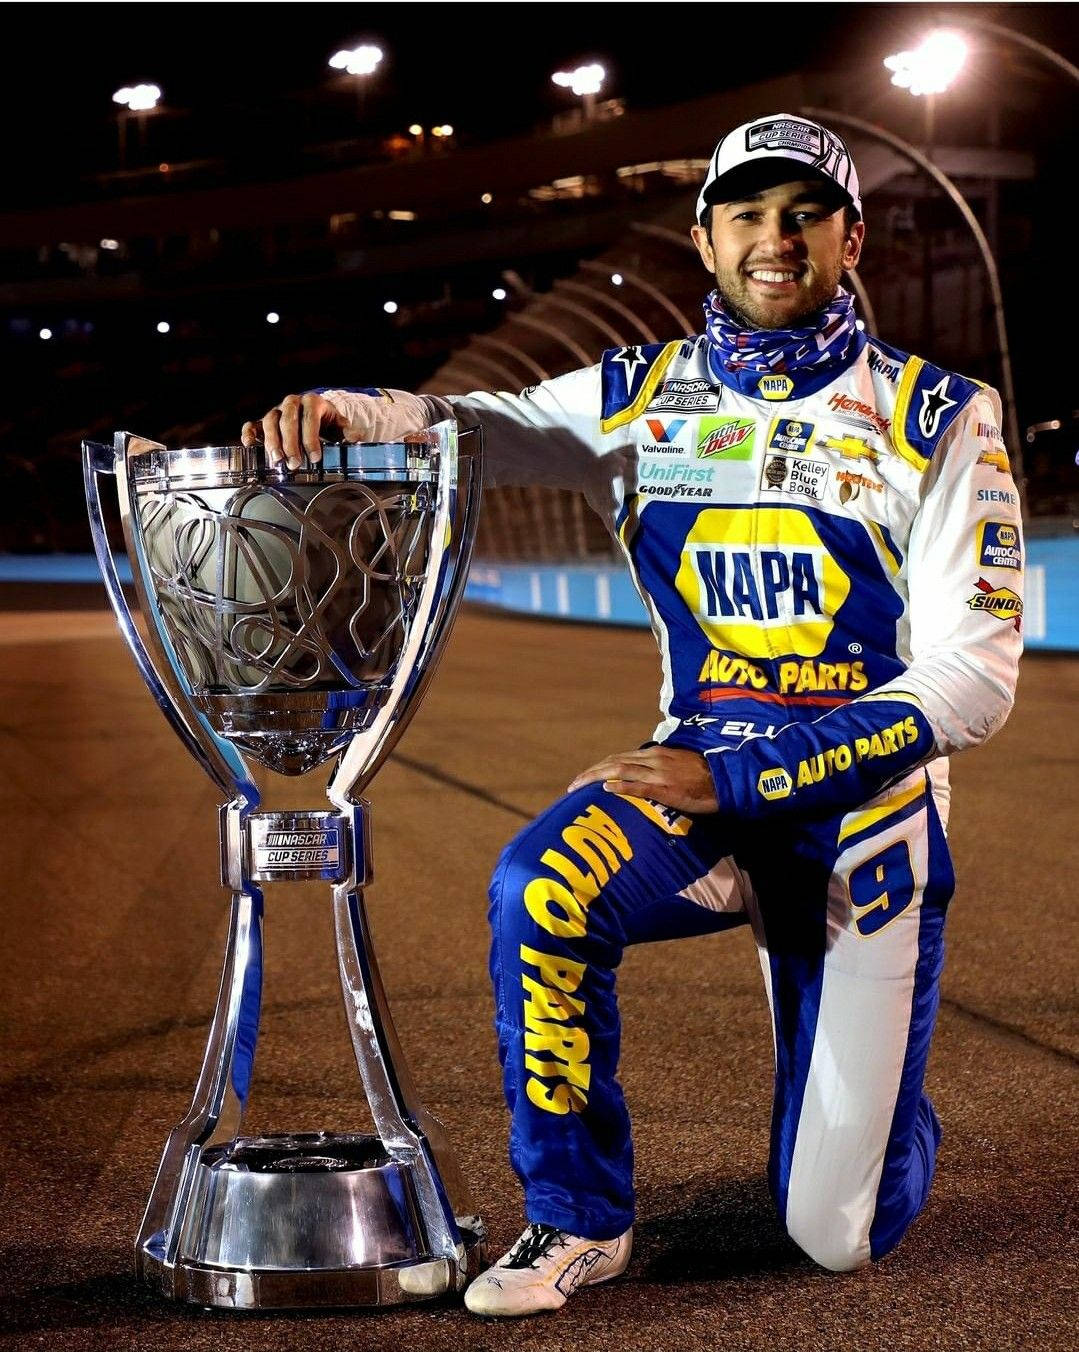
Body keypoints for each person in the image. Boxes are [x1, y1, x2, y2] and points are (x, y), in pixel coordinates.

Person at [241, 113, 1024, 1317]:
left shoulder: (939, 415)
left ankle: (876, 1088)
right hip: (695, 776)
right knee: (537, 887)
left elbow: (969, 679)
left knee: (834, 1233)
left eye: (804, 213)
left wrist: (750, 780)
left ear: (849, 236)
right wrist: (360, 407)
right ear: (705, 239)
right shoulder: (639, 397)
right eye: (747, 214)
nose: (776, 237)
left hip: (862, 811)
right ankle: (575, 1217)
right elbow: (475, 429)